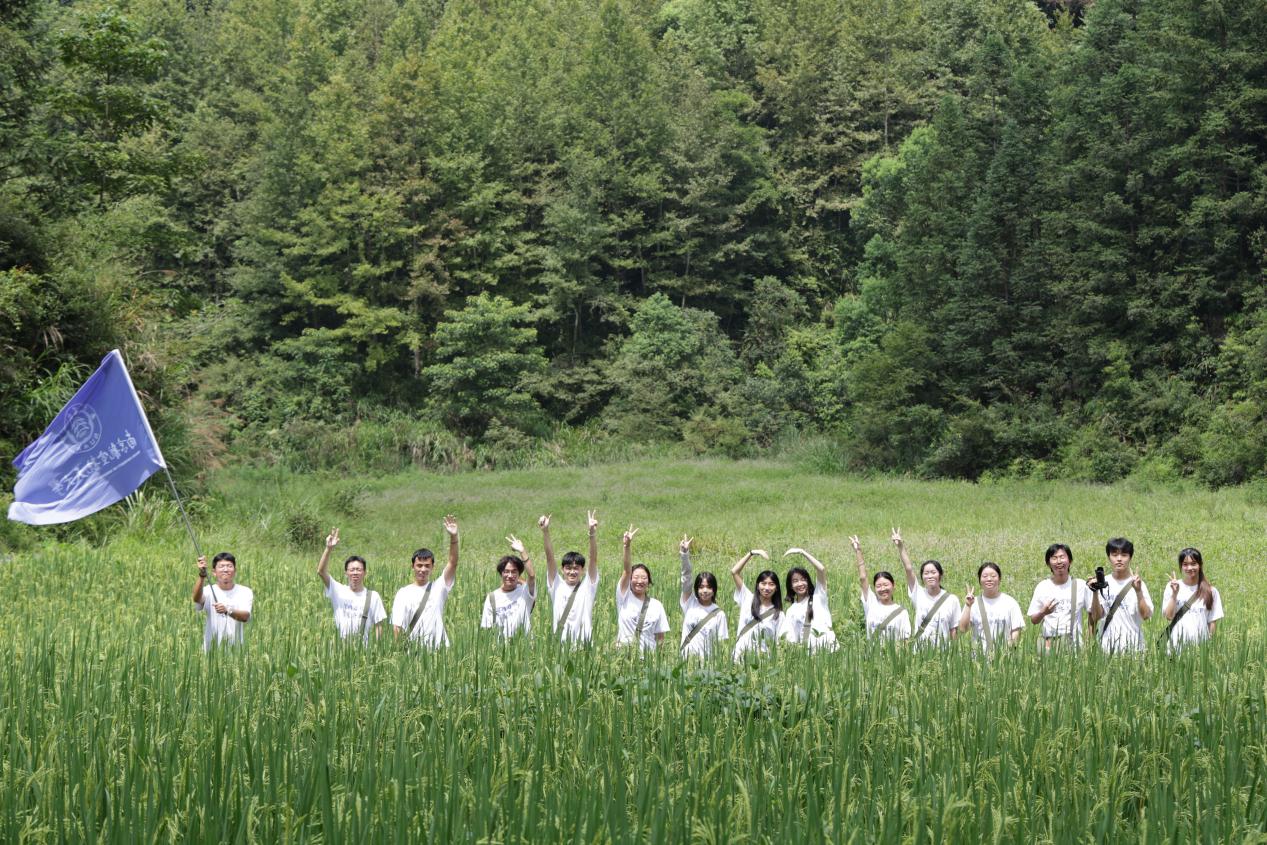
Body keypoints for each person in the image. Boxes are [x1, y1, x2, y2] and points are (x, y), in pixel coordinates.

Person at [391, 516, 459, 648]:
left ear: (433, 567)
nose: (423, 569)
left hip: (440, 650)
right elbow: (397, 626)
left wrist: (454, 537)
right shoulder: (403, 593)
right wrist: (399, 652)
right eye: (419, 565)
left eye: (427, 566)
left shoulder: (439, 587)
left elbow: (453, 562)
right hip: (414, 651)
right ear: (412, 566)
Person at [317, 527, 386, 642]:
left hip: (363, 649)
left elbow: (379, 626)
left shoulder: (373, 596)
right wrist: (328, 549)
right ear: (346, 573)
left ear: (365, 573)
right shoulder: (338, 590)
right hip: (340, 647)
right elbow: (321, 572)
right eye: (352, 570)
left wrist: (377, 648)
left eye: (358, 570)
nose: (355, 573)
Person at [892, 528, 960, 646]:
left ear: (940, 575)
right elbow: (908, 569)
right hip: (920, 650)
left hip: (943, 651)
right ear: (922, 577)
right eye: (926, 573)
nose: (930, 576)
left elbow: (953, 629)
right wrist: (900, 547)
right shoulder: (918, 593)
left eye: (933, 572)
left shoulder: (952, 599)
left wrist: (953, 652)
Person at [542, 510, 600, 645]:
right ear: (562, 570)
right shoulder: (557, 585)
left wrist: (592, 533)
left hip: (584, 646)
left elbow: (593, 559)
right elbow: (549, 558)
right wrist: (545, 531)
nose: (572, 572)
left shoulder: (588, 587)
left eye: (576, 568)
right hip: (560, 646)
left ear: (582, 570)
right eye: (568, 568)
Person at [1089, 537, 1153, 654]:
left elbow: (1146, 615)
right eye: (1114, 555)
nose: (1119, 559)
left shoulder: (1138, 584)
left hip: (1134, 649)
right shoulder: (1103, 583)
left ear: (1130, 558)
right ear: (1109, 557)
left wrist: (1138, 591)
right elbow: (1096, 616)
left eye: (1124, 555)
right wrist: (1095, 592)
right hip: (1106, 649)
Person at [1027, 543, 1093, 651]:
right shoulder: (1042, 586)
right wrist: (1043, 612)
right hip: (1048, 646)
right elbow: (1034, 620)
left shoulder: (1080, 585)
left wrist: (1088, 641)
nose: (1059, 561)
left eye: (1062, 557)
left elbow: (1093, 614)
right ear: (1048, 564)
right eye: (1054, 558)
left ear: (1070, 561)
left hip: (1073, 645)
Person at [615, 525, 670, 651]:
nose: (639, 581)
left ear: (649, 582)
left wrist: (659, 658)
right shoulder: (624, 597)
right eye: (636, 577)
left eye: (644, 578)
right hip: (624, 657)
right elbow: (626, 570)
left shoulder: (657, 605)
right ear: (630, 580)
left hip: (648, 658)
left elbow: (660, 639)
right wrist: (627, 546)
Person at [1162, 547, 1224, 652]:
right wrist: (1174, 594)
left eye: (1194, 563)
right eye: (1185, 564)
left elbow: (1212, 622)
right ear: (1181, 566)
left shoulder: (1211, 591)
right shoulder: (1172, 586)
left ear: (1200, 565)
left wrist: (1208, 648)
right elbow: (1169, 616)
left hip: (1200, 649)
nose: (1189, 568)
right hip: (1175, 648)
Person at [778, 548, 838, 652]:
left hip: (829, 652)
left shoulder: (818, 597)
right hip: (809, 655)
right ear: (791, 586)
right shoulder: (791, 610)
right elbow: (791, 638)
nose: (800, 584)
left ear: (808, 582)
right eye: (795, 581)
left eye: (803, 579)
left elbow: (821, 569)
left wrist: (802, 552)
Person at [192, 551, 253, 651]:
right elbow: (196, 598)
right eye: (221, 566)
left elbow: (245, 616)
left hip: (236, 650)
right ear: (214, 572)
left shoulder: (245, 591)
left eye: (229, 566)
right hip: (210, 650)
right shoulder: (208, 590)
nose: (225, 569)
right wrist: (202, 575)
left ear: (235, 571)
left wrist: (227, 610)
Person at [679, 535, 728, 658]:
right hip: (686, 661)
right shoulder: (690, 603)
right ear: (696, 589)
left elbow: (721, 645)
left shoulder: (719, 614)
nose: (705, 591)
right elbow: (686, 578)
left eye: (708, 587)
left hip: (708, 663)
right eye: (701, 587)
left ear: (714, 590)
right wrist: (684, 555)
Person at [852, 535, 910, 641]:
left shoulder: (901, 612)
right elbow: (863, 578)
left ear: (893, 585)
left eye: (886, 585)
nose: (882, 589)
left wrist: (900, 547)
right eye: (878, 586)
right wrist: (858, 551)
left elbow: (905, 641)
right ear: (874, 589)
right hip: (873, 652)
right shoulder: (871, 603)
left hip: (894, 652)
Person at [957, 562, 1025, 650]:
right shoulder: (974, 603)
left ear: (999, 579)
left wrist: (1007, 651)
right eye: (985, 576)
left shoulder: (1010, 602)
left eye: (993, 576)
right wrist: (968, 606)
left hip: (1004, 654)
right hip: (978, 656)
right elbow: (962, 629)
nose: (989, 579)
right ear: (979, 580)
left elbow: (1016, 630)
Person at [480, 535, 536, 638]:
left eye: (514, 572)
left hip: (524, 644)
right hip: (501, 646)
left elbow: (531, 576)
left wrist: (522, 551)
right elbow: (487, 628)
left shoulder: (525, 592)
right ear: (501, 573)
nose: (510, 575)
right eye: (506, 571)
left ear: (519, 574)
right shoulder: (492, 597)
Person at [730, 549, 780, 660]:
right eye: (763, 583)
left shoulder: (779, 614)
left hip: (762, 662)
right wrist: (752, 553)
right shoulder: (748, 598)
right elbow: (734, 572)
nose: (767, 588)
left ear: (776, 588)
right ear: (758, 585)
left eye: (771, 584)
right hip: (739, 657)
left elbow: (778, 643)